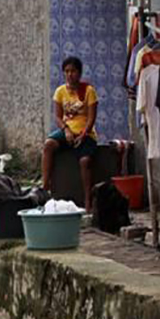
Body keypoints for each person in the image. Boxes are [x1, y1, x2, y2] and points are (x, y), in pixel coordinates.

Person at [42, 56, 99, 212]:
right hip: (67, 132)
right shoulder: (60, 92)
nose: (69, 74)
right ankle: (44, 188)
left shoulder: (88, 91)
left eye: (73, 71)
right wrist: (66, 130)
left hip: (86, 134)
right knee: (48, 145)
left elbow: (92, 118)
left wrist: (83, 134)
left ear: (79, 73)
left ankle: (88, 200)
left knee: (85, 161)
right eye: (66, 71)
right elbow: (58, 117)